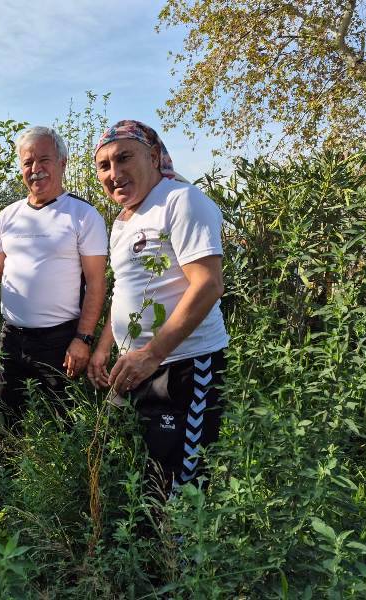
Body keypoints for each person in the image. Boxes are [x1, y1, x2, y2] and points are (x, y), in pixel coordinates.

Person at [87, 120, 229, 495]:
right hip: (136, 367)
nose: (114, 174)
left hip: (184, 368)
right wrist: (104, 348)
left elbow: (209, 284)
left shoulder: (181, 201)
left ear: (153, 156)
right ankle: (147, 552)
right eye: (104, 166)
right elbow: (125, 290)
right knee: (138, 474)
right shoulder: (123, 221)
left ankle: (179, 554)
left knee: (180, 483)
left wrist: (152, 353)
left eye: (123, 158)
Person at [0, 126, 108, 429]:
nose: (35, 169)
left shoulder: (82, 215)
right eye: (27, 162)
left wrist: (83, 339)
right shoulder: (8, 216)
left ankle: (59, 477)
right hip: (12, 337)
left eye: (44, 160)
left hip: (60, 341)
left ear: (63, 163)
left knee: (61, 424)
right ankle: (4, 471)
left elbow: (96, 284)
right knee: (4, 417)